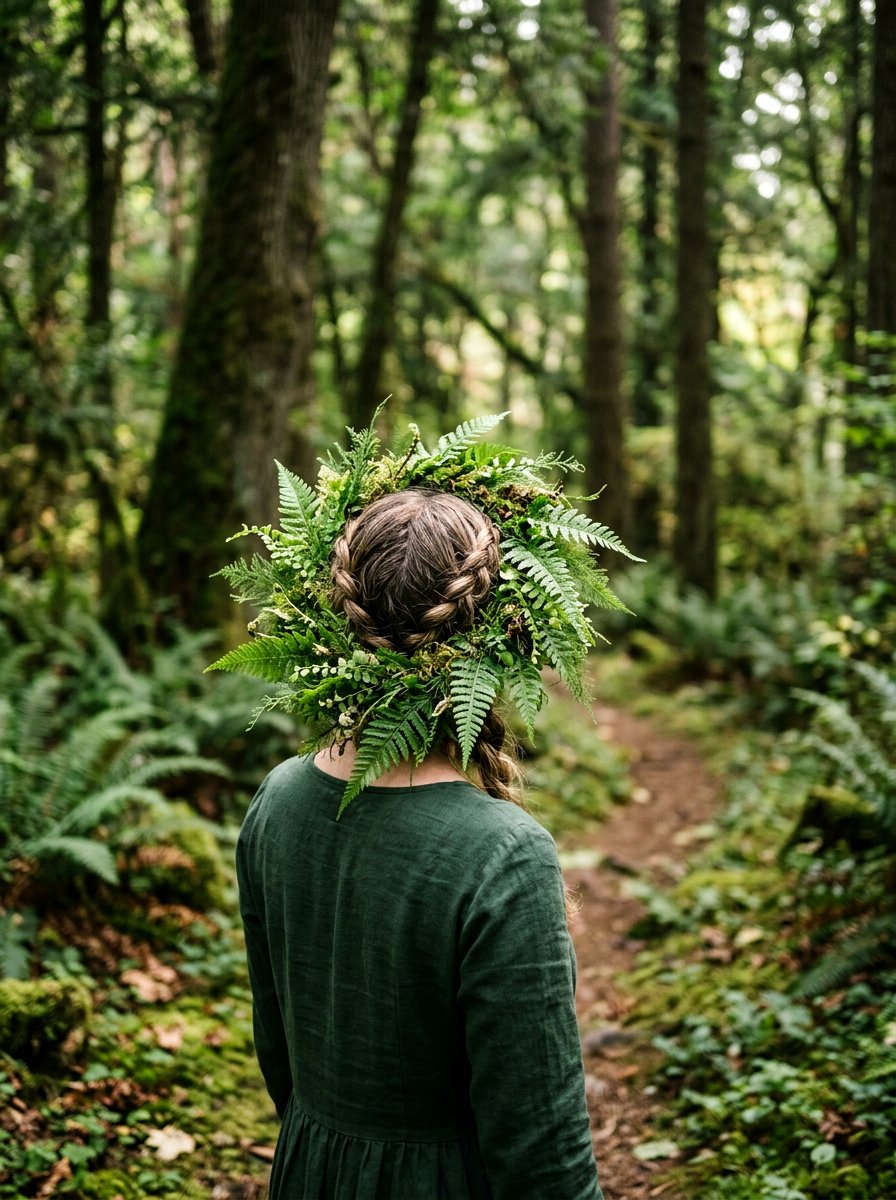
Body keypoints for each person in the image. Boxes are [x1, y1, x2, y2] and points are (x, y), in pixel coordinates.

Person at [235, 488, 603, 1199]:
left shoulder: (277, 799)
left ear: (334, 612)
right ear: (501, 635)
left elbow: (278, 1050)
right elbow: (542, 1151)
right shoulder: (505, 855)